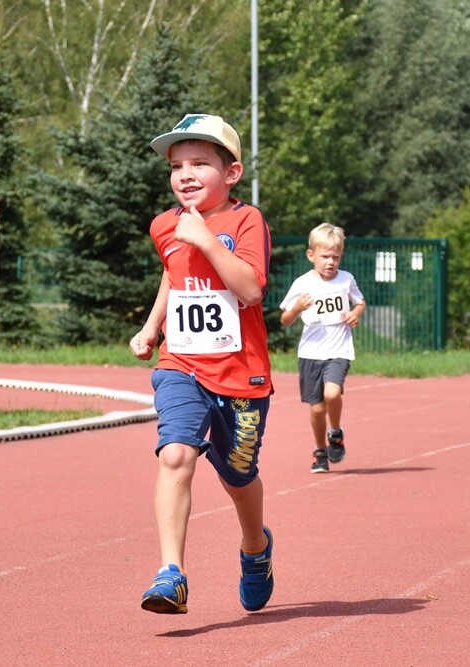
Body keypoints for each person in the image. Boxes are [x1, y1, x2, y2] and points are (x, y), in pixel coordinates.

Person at [129, 114, 274, 615]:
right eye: (176, 166)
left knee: (238, 477)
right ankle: (171, 573)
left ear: (231, 173)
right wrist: (152, 327)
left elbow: (250, 290)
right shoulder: (163, 225)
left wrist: (206, 239)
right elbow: (174, 276)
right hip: (181, 364)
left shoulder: (246, 221)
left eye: (199, 163)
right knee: (175, 454)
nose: (185, 174)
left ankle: (256, 547)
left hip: (241, 374)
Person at [280, 223, 366, 473]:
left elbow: (360, 302)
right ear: (311, 255)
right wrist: (297, 308)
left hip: (339, 350)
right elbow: (285, 319)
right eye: (325, 256)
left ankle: (335, 432)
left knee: (332, 393)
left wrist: (355, 314)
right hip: (310, 353)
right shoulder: (302, 284)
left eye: (335, 257)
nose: (331, 262)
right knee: (317, 409)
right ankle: (320, 451)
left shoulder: (346, 279)